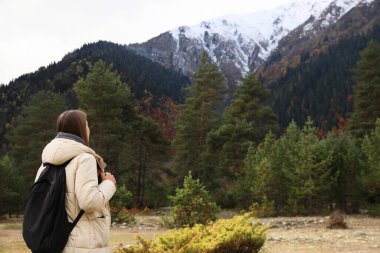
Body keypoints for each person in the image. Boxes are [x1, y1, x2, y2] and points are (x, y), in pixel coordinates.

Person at [34, 110, 117, 253]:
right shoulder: (85, 159)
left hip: (55, 242)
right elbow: (89, 202)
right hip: (84, 243)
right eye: (87, 125)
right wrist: (109, 183)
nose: (89, 129)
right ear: (80, 129)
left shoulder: (45, 164)